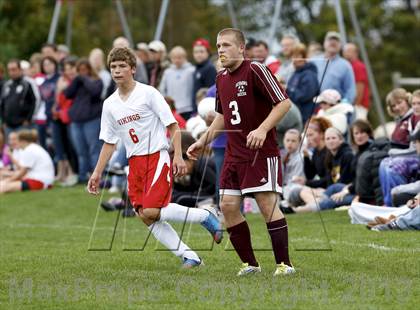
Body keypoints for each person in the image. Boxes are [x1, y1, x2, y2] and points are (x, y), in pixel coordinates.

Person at [87, 47, 223, 268]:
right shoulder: (109, 104)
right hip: (135, 162)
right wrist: (97, 172)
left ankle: (205, 216)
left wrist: (177, 155)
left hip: (156, 156)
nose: (117, 70)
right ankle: (191, 257)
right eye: (113, 67)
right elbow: (110, 142)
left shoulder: (148, 93)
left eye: (122, 66)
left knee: (152, 210)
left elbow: (173, 126)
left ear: (132, 69)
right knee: (145, 216)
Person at [187, 28, 295, 276]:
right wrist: (202, 141)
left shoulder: (255, 69)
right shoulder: (221, 78)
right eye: (218, 46)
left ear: (241, 48)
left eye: (226, 45)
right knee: (227, 206)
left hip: (260, 151)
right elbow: (222, 117)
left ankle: (285, 265)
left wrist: (262, 128)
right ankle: (251, 265)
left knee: (266, 204)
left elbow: (284, 103)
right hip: (234, 154)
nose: (221, 50)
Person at [64, 58, 103, 183]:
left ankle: (95, 176)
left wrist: (83, 78)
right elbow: (68, 94)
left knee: (94, 149)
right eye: (79, 70)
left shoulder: (97, 81)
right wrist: (76, 80)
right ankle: (82, 177)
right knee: (81, 151)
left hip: (92, 120)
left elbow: (95, 92)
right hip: (77, 121)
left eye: (84, 70)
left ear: (90, 70)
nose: (82, 73)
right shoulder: (78, 82)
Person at [0, 130, 54, 194]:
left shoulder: (29, 150)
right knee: (3, 183)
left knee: (3, 187)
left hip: (39, 182)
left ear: (23, 141)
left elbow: (22, 172)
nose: (14, 142)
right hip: (40, 180)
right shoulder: (32, 148)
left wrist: (8, 180)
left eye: (16, 140)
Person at [312, 31, 356, 104]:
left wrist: (342, 106)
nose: (333, 42)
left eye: (336, 41)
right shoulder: (313, 61)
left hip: (335, 109)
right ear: (324, 43)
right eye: (330, 40)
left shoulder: (345, 65)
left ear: (340, 45)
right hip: (314, 107)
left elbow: (350, 91)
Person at [0, 59, 36, 140]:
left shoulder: (27, 84)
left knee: (22, 148)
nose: (11, 72)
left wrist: (28, 119)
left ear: (20, 70)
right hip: (8, 125)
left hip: (22, 124)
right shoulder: (7, 85)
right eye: (9, 70)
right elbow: (2, 103)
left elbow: (34, 101)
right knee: (10, 149)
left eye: (14, 69)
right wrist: (3, 121)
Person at [159, 46, 195, 120]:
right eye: (174, 58)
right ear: (171, 58)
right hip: (172, 109)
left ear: (185, 58)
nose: (177, 60)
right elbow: (162, 89)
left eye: (179, 57)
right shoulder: (167, 72)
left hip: (187, 108)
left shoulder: (191, 71)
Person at [286, 43, 319, 124]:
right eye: (292, 56)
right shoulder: (296, 73)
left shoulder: (309, 74)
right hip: (297, 116)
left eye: (297, 56)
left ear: (304, 57)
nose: (294, 59)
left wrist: (287, 89)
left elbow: (305, 95)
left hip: (306, 117)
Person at [343, 43, 370, 120]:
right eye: (345, 51)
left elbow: (360, 87)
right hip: (353, 105)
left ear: (356, 53)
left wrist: (355, 105)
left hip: (358, 106)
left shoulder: (357, 66)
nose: (345, 53)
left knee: (358, 128)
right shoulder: (348, 66)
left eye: (349, 51)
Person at [192, 38, 217, 108]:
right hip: (197, 107)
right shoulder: (197, 68)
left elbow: (211, 91)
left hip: (206, 108)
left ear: (208, 52)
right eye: (196, 52)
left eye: (201, 52)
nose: (198, 54)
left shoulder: (210, 68)